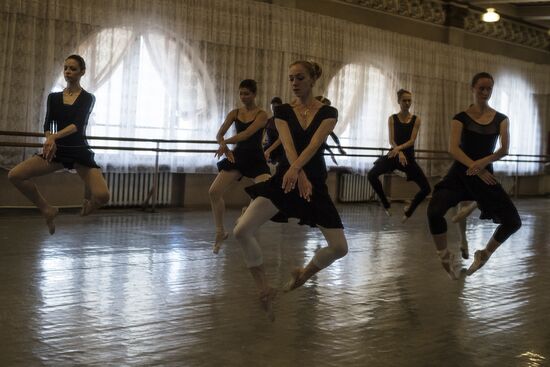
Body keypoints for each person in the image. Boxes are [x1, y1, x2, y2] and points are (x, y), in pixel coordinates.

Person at [233, 61, 348, 320]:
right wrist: (297, 172)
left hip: (314, 183)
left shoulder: (329, 112)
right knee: (241, 230)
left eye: (300, 78)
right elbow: (287, 145)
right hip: (286, 179)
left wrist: (303, 173)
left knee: (340, 248)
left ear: (311, 80)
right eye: (291, 79)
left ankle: (303, 274)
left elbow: (316, 144)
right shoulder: (283, 111)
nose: (294, 83)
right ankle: (264, 288)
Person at [427, 72, 521, 279]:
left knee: (513, 221)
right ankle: (444, 254)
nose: (485, 92)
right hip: (460, 174)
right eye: (481, 88)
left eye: (489, 89)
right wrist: (475, 166)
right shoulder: (460, 118)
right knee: (434, 211)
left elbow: (504, 149)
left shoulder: (501, 119)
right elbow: (453, 149)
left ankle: (484, 254)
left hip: (485, 176)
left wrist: (483, 164)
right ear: (473, 88)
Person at [8, 55, 110, 234]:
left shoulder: (88, 98)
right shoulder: (53, 97)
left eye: (73, 69)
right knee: (15, 175)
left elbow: (77, 125)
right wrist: (49, 139)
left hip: (78, 151)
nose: (68, 72)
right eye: (66, 68)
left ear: (82, 72)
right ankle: (47, 209)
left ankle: (90, 204)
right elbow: (48, 124)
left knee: (103, 196)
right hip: (57, 151)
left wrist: (53, 138)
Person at [209, 79, 271, 254]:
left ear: (254, 94)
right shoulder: (234, 113)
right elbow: (219, 133)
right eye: (241, 93)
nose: (243, 97)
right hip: (238, 156)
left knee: (265, 191)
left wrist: (226, 142)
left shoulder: (262, 114)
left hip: (256, 158)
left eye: (247, 93)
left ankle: (246, 212)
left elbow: (247, 134)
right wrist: (224, 144)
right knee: (214, 191)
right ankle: (220, 231)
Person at [367, 89, 431, 222]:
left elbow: (412, 141)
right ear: (398, 101)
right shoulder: (392, 118)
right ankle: (386, 204)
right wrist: (399, 152)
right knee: (371, 175)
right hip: (394, 155)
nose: (407, 103)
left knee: (426, 188)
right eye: (404, 100)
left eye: (409, 100)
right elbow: (391, 140)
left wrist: (401, 151)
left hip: (408, 158)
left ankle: (409, 210)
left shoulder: (416, 119)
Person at [263, 97, 284, 165]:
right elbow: (261, 135)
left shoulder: (284, 122)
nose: (274, 110)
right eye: (272, 108)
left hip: (280, 150)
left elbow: (281, 139)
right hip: (268, 147)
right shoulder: (268, 121)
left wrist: (268, 151)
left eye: (276, 108)